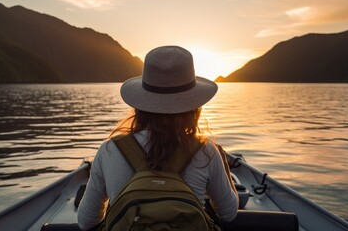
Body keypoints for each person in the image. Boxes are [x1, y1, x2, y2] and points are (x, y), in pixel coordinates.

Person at [77, 45, 238, 230]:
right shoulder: (207, 152)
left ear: (140, 105)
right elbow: (228, 213)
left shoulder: (109, 150)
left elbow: (86, 221)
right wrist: (224, 168)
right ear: (194, 107)